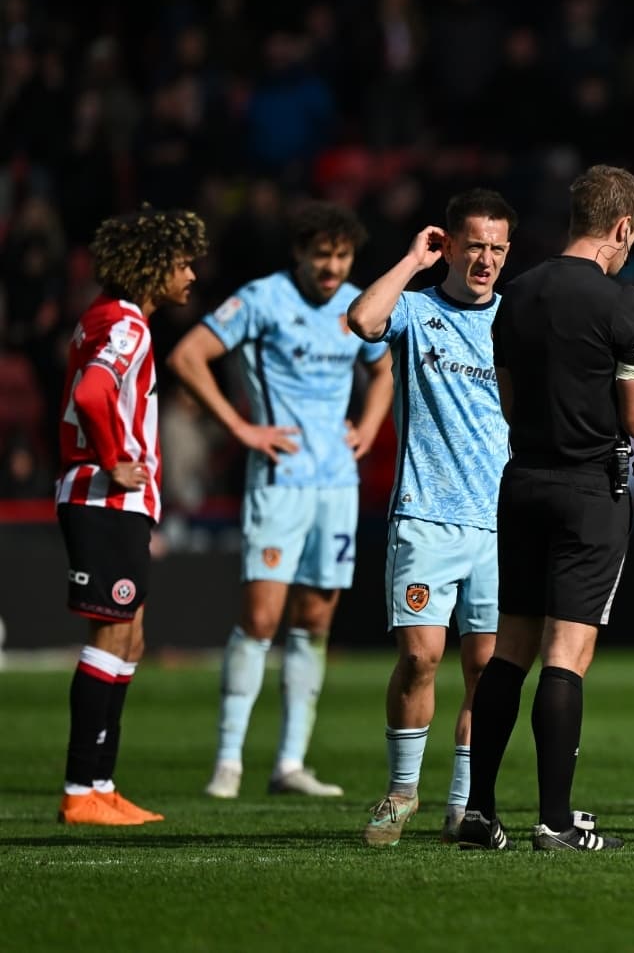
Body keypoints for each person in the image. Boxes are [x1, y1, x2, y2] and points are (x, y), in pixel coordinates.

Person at [457, 165, 634, 853]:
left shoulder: (513, 296)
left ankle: (480, 812)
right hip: (588, 488)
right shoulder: (622, 302)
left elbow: (510, 399)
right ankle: (554, 819)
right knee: (566, 655)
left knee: (507, 651)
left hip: (522, 481)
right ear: (623, 227)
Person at [168, 202, 393, 800]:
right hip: (279, 479)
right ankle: (228, 761)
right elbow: (188, 356)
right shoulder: (263, 299)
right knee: (261, 618)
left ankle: (290, 763)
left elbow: (387, 369)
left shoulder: (357, 305)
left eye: (342, 257)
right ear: (299, 252)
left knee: (315, 620)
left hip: (336, 486)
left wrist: (369, 426)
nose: (332, 268)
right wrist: (242, 429)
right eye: (322, 255)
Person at [345, 189, 515, 846]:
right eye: (474, 244)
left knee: (484, 669)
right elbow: (362, 319)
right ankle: (400, 789)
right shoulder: (415, 310)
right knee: (420, 656)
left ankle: (464, 802)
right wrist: (412, 260)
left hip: (499, 521)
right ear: (447, 242)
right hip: (426, 514)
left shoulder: (514, 317)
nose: (486, 259)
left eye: (497, 248)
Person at [55, 205, 207, 825]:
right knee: (111, 635)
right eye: (182, 263)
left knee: (131, 637)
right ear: (151, 269)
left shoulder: (104, 318)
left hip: (116, 503)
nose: (192, 274)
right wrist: (116, 460)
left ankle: (101, 783)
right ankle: (80, 790)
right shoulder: (128, 327)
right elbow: (93, 391)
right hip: (105, 498)